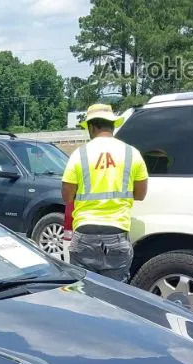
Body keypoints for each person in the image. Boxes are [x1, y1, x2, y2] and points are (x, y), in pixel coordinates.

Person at [60, 104, 148, 282]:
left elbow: (67, 196)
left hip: (85, 234)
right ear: (113, 125)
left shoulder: (79, 155)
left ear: (91, 127)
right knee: (116, 298)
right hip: (117, 234)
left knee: (84, 294)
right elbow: (140, 194)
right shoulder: (133, 154)